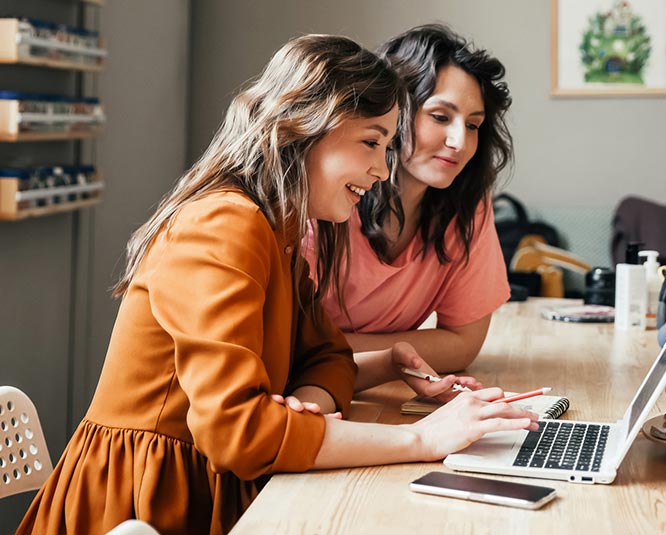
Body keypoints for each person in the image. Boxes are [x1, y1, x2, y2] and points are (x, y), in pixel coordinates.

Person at [17, 34, 536, 535]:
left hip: (215, 485)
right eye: (372, 143)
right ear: (305, 128)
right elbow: (237, 434)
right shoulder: (225, 224)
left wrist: (357, 377)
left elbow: (325, 357)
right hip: (143, 502)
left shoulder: (281, 230)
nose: (382, 169)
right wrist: (421, 438)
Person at [305, 24, 513, 376]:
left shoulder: (467, 205)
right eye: (440, 117)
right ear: (392, 110)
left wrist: (339, 349)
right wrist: (409, 352)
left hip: (362, 386)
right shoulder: (324, 199)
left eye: (474, 125)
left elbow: (463, 344)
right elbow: (290, 348)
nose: (459, 142)